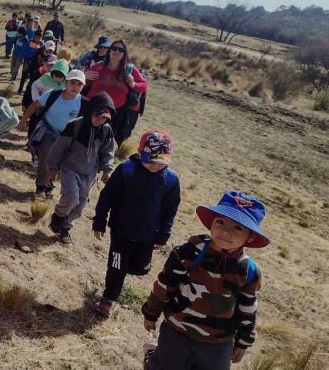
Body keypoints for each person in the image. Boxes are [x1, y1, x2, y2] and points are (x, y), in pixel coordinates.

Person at [142, 191, 268, 370]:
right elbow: (165, 284)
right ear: (212, 222)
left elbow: (247, 308)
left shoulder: (248, 270)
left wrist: (243, 342)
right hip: (178, 330)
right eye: (220, 222)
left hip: (218, 343)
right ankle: (152, 356)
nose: (225, 231)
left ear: (250, 237)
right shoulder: (188, 252)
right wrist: (151, 312)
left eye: (237, 228)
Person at [92, 130, 181, 316]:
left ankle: (128, 269)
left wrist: (163, 235)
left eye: (160, 162)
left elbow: (169, 210)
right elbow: (107, 197)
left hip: (148, 233)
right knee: (117, 265)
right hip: (121, 230)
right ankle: (109, 297)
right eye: (151, 161)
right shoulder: (126, 170)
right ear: (140, 153)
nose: (155, 166)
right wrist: (99, 221)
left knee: (140, 268)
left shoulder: (171, 180)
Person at [46, 92, 115, 244]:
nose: (100, 120)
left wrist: (106, 169)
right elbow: (58, 148)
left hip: (90, 173)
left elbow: (108, 151)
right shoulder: (75, 125)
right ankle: (58, 216)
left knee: (81, 203)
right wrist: (52, 167)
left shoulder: (106, 130)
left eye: (104, 118)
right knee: (71, 198)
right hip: (70, 168)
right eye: (98, 115)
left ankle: (65, 228)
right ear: (90, 111)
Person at [17, 68, 81, 199]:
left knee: (58, 162)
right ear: (66, 82)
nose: (75, 86)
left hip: (66, 137)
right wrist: (23, 121)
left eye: (79, 84)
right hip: (48, 131)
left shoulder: (83, 102)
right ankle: (41, 187)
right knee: (46, 160)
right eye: (72, 82)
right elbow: (34, 105)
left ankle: (49, 187)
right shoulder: (53, 94)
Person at [85, 39, 148, 146]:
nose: (117, 51)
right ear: (109, 50)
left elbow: (144, 86)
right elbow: (82, 84)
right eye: (114, 48)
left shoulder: (129, 69)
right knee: (85, 138)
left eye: (121, 50)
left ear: (124, 53)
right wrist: (84, 76)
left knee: (104, 144)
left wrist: (133, 84)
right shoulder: (98, 66)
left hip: (115, 114)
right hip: (92, 109)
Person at [18, 29, 43, 93]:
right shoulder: (30, 42)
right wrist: (21, 59)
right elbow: (24, 50)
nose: (37, 39)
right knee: (23, 76)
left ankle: (29, 90)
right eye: (36, 37)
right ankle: (20, 89)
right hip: (27, 61)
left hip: (35, 64)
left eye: (39, 38)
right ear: (34, 36)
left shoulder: (42, 44)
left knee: (32, 78)